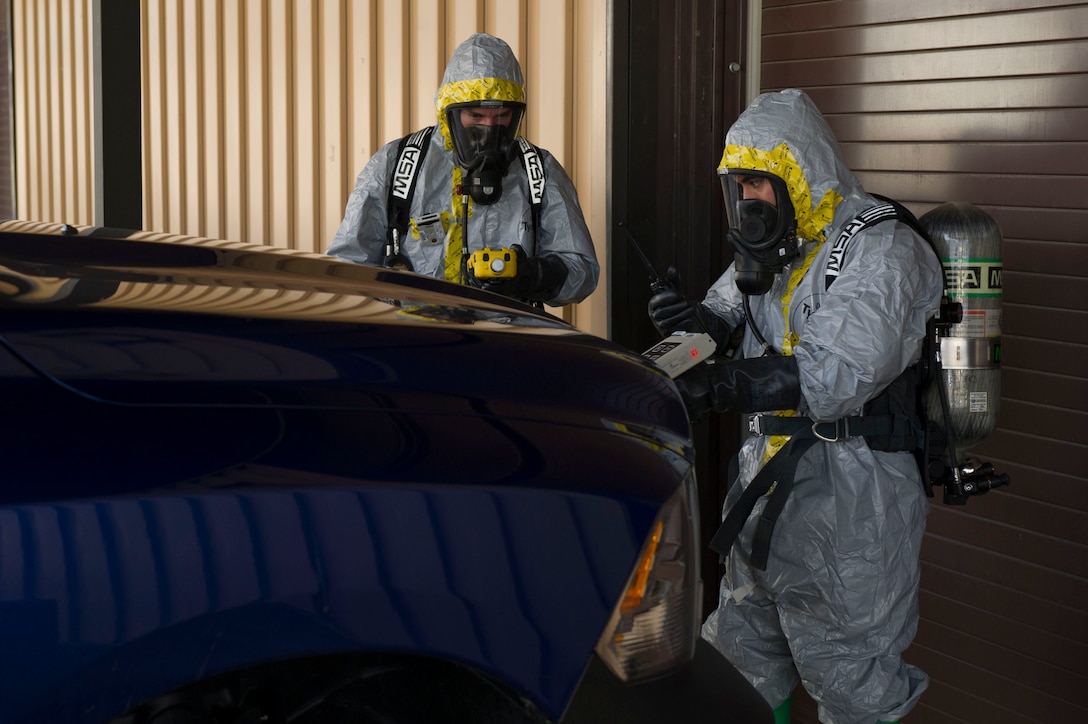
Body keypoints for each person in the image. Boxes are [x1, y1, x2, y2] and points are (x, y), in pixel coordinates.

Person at [648, 89, 943, 723]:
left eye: (759, 182)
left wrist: (721, 385)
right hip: (765, 495)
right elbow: (723, 314)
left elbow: (834, 375)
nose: (749, 201)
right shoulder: (779, 245)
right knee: (737, 668)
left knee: (853, 686)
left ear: (800, 175)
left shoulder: (883, 250)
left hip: (852, 507)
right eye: (740, 187)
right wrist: (684, 331)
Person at [328, 33, 599, 307]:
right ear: (450, 112)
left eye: (502, 116)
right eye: (476, 116)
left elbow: (583, 271)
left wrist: (532, 276)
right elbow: (346, 267)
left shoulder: (539, 170)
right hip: (414, 332)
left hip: (508, 332)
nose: (489, 128)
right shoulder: (396, 164)